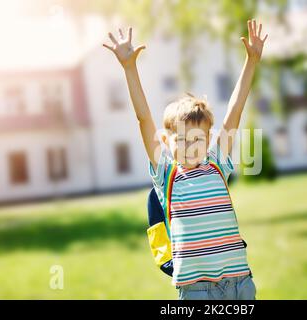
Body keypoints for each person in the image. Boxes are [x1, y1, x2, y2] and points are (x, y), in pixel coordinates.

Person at [103, 19, 268, 300]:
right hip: (195, 291)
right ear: (167, 142)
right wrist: (129, 68)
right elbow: (144, 118)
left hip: (239, 284)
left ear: (209, 139)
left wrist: (251, 61)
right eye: (181, 139)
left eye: (197, 139)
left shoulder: (217, 163)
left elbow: (235, 111)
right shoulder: (166, 173)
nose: (190, 146)